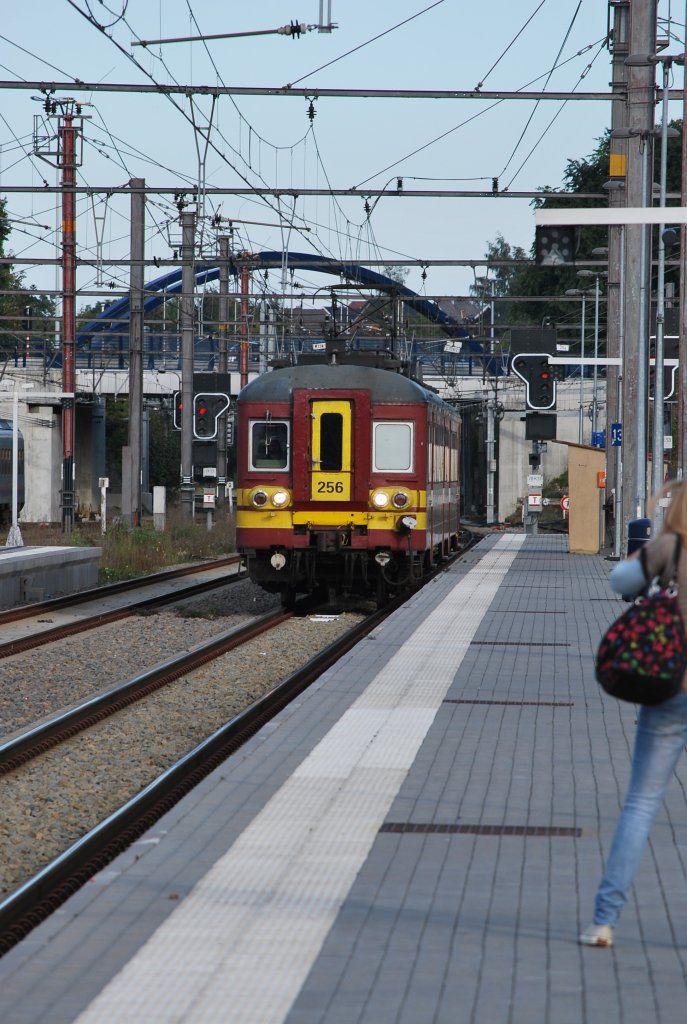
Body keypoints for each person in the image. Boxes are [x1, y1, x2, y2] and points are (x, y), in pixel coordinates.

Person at [580, 479, 687, 948]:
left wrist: (642, 554)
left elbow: (621, 582)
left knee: (642, 804)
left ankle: (604, 922)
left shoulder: (671, 546)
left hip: (669, 688)